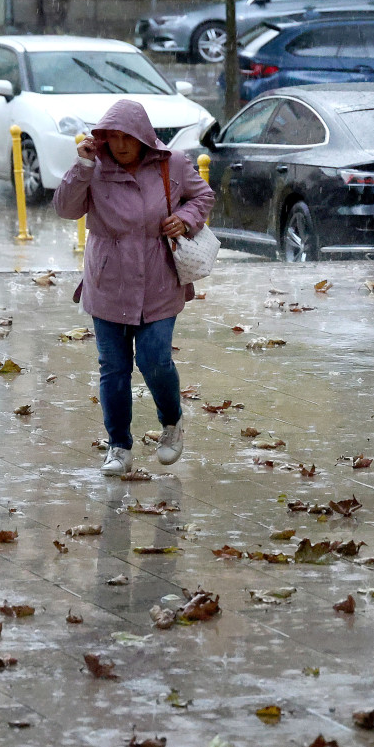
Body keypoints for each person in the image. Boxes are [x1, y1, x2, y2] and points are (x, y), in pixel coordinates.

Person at [54, 99, 215, 476]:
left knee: (154, 359)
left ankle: (172, 423)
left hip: (158, 280)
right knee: (113, 367)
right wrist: (82, 166)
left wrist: (185, 218)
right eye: (111, 136)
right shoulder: (94, 168)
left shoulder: (171, 163)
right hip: (107, 281)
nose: (120, 144)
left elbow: (202, 196)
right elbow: (65, 209)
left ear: (143, 136)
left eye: (126, 137)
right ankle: (118, 446)